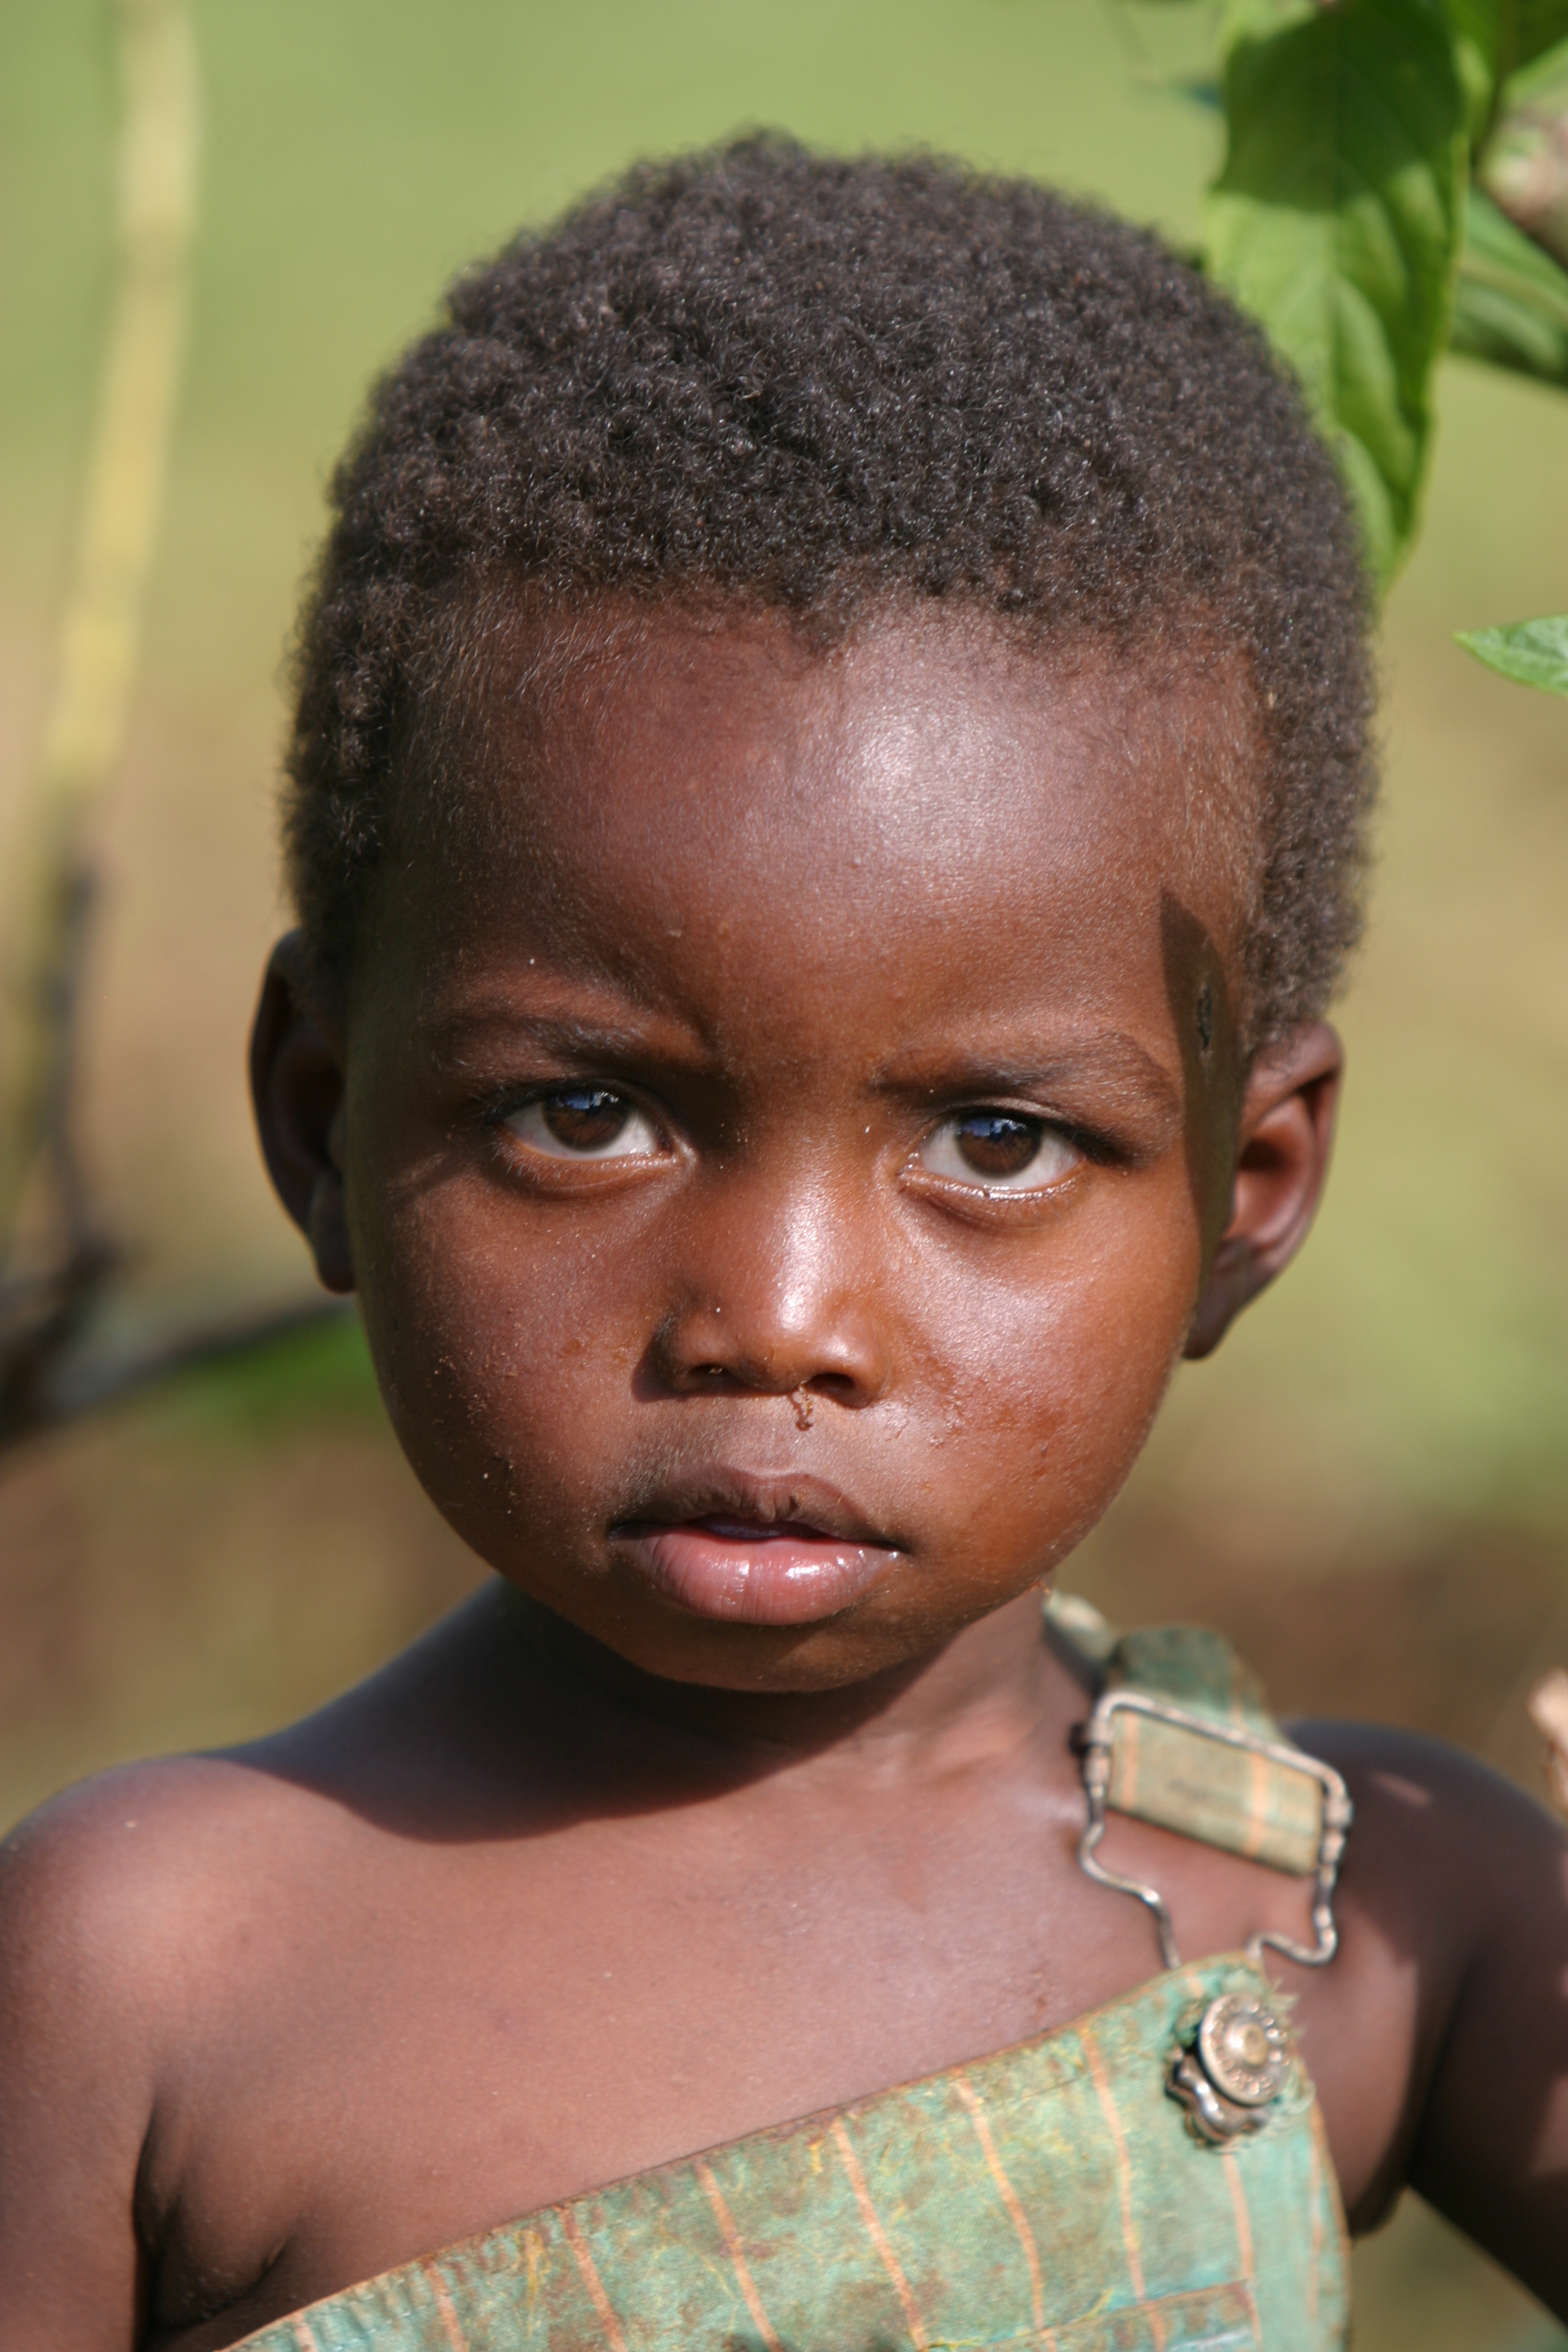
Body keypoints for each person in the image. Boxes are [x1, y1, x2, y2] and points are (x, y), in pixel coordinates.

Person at [1, 137, 1563, 2352]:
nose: (781, 1319)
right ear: (320, 1123)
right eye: (587, 1114)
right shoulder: (144, 1969)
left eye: (998, 1143)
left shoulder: (1360, 1912)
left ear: (1250, 1193)